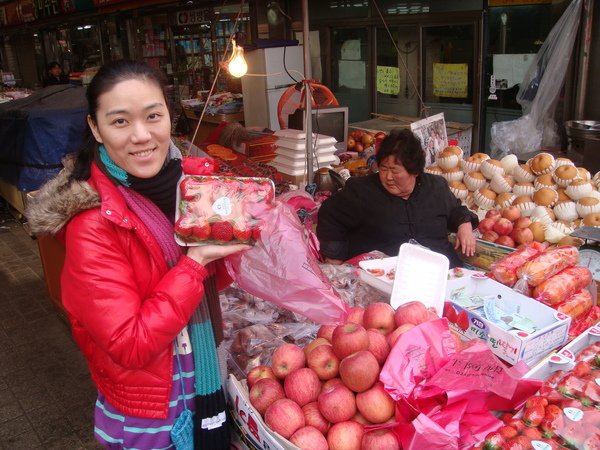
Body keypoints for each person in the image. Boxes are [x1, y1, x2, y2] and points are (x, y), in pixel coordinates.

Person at [26, 60, 249, 449]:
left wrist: (236, 237)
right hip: (152, 406)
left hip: (199, 374)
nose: (142, 135)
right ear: (95, 128)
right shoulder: (92, 224)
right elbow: (130, 343)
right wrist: (195, 263)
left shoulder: (192, 190)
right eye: (120, 122)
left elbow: (217, 282)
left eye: (153, 116)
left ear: (169, 115)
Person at [317, 128, 478, 268]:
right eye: (383, 168)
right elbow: (329, 215)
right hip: (380, 278)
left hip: (438, 273)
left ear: (414, 171)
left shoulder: (436, 187)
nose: (388, 177)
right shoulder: (361, 191)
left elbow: (455, 210)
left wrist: (464, 225)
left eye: (395, 171)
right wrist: (335, 256)